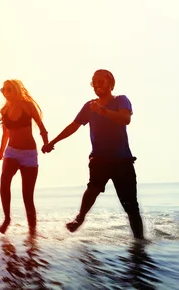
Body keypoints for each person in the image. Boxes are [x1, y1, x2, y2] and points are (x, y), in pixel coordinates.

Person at [42, 69, 144, 239]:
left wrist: (102, 111)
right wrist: (52, 142)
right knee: (93, 189)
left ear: (110, 83)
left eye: (100, 81)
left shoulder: (121, 100)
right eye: (94, 82)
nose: (97, 85)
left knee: (131, 206)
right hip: (99, 159)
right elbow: (73, 126)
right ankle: (80, 218)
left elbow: (125, 119)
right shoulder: (90, 106)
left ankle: (139, 245)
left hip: (122, 161)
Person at [0, 79, 49, 234]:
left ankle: (32, 233)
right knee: (4, 182)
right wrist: (1, 151)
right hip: (11, 152)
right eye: (4, 90)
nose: (6, 92)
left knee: (27, 195)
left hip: (28, 154)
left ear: (17, 90)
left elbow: (41, 127)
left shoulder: (28, 106)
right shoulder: (4, 110)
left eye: (9, 89)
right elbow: (5, 133)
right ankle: (7, 218)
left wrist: (46, 143)